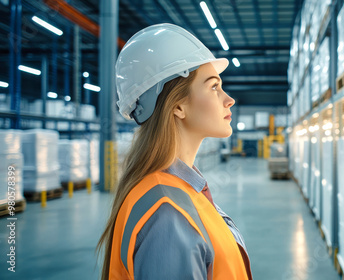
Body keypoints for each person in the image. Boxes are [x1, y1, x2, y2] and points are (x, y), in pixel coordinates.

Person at [96, 23, 252, 280]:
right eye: (214, 87)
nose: (229, 99)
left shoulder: (183, 188)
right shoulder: (167, 215)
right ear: (178, 106)